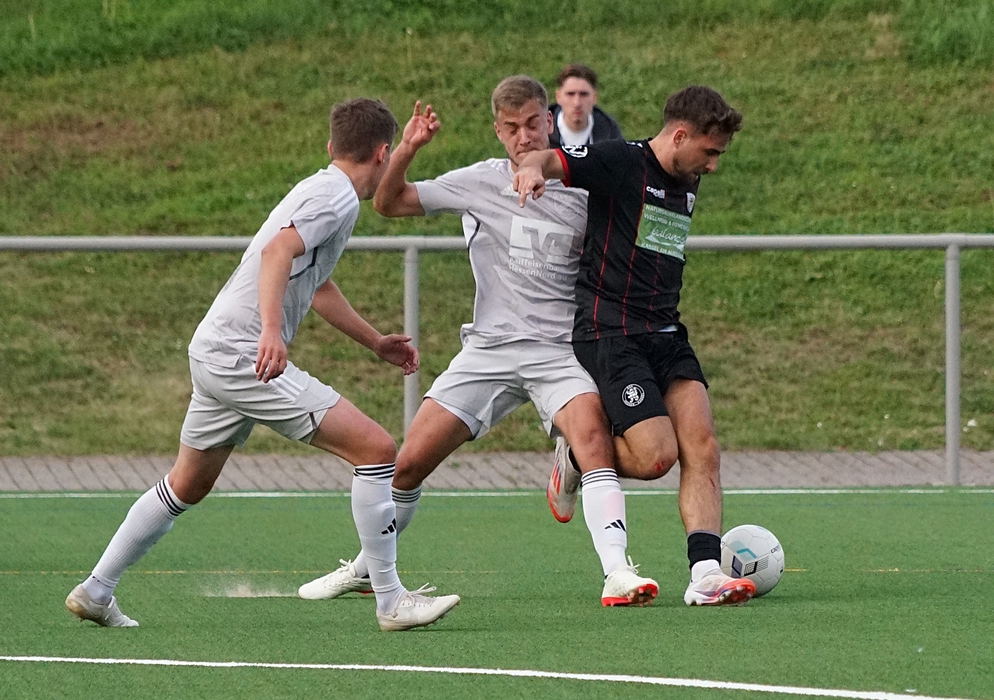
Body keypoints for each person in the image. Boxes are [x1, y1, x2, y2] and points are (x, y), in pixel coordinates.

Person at [64, 98, 460, 632]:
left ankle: (97, 589)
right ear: (382, 153)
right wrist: (271, 332)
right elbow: (277, 253)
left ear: (332, 146)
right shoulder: (336, 197)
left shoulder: (321, 187)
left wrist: (374, 343)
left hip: (215, 352)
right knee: (376, 450)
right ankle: (391, 601)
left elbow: (315, 283)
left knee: (186, 484)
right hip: (241, 355)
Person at [298, 76, 659, 608]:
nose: (523, 136)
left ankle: (617, 571)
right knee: (407, 464)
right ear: (497, 131)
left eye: (532, 123)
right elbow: (389, 202)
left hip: (557, 350)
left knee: (592, 438)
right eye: (511, 128)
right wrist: (408, 148)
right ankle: (366, 569)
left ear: (550, 121)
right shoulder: (480, 181)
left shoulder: (585, 187)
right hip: (488, 351)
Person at [513, 85, 757, 606]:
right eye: (710, 152)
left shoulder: (688, 177)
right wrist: (532, 169)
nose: (714, 165)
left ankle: (705, 573)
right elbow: (548, 158)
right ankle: (578, 454)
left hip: (666, 332)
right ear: (680, 135)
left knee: (703, 445)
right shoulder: (621, 161)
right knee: (656, 457)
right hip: (611, 332)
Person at [548, 64, 624, 149]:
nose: (577, 103)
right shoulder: (542, 130)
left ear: (594, 97)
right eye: (570, 94)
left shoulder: (610, 133)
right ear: (558, 96)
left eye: (584, 94)